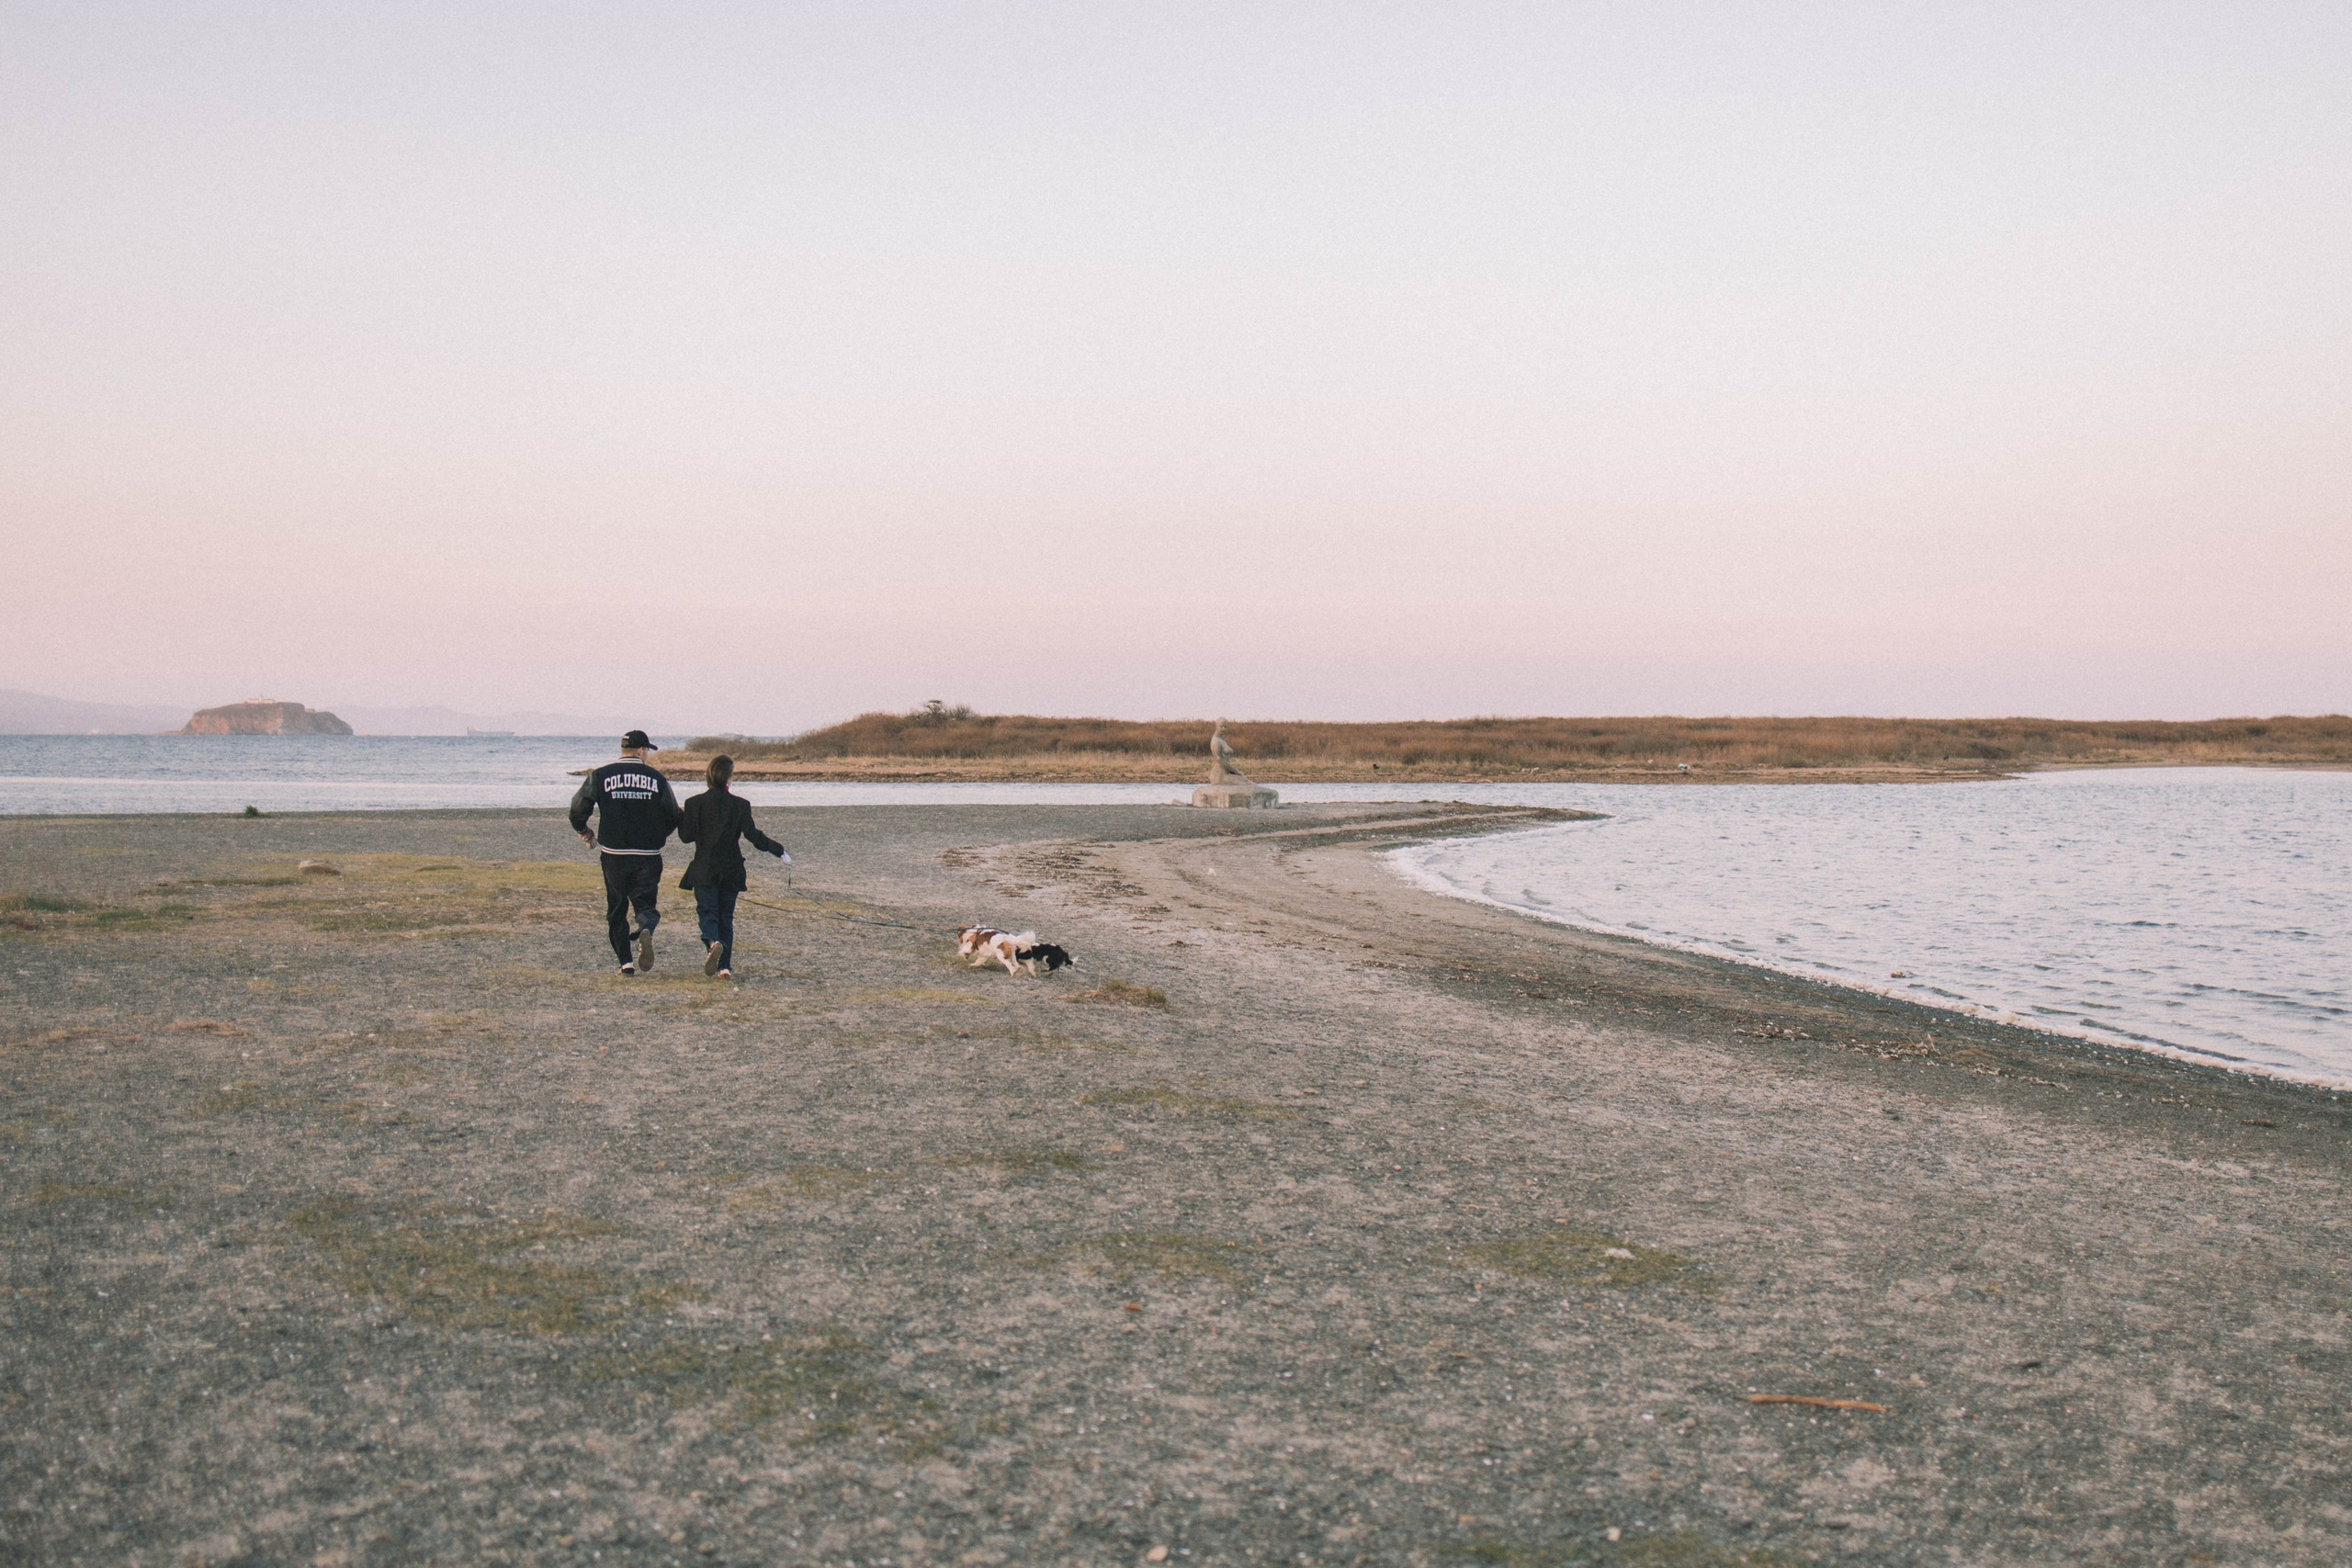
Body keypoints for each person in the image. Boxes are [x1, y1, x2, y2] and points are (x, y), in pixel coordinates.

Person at [569, 729, 682, 975]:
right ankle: (645, 928)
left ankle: (625, 962)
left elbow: (578, 807)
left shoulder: (601, 775)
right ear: (641, 751)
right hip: (648, 854)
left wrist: (584, 830)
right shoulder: (656, 778)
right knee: (645, 903)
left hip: (614, 853)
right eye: (648, 751)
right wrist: (659, 835)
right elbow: (673, 815)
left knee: (617, 907)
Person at [677, 753, 787, 978]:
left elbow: (686, 837)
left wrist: (682, 817)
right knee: (726, 917)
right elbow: (753, 837)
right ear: (729, 778)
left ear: (708, 776)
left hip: (705, 868)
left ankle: (711, 942)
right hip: (731, 869)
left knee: (708, 912)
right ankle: (724, 967)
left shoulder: (694, 803)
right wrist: (779, 850)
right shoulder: (740, 805)